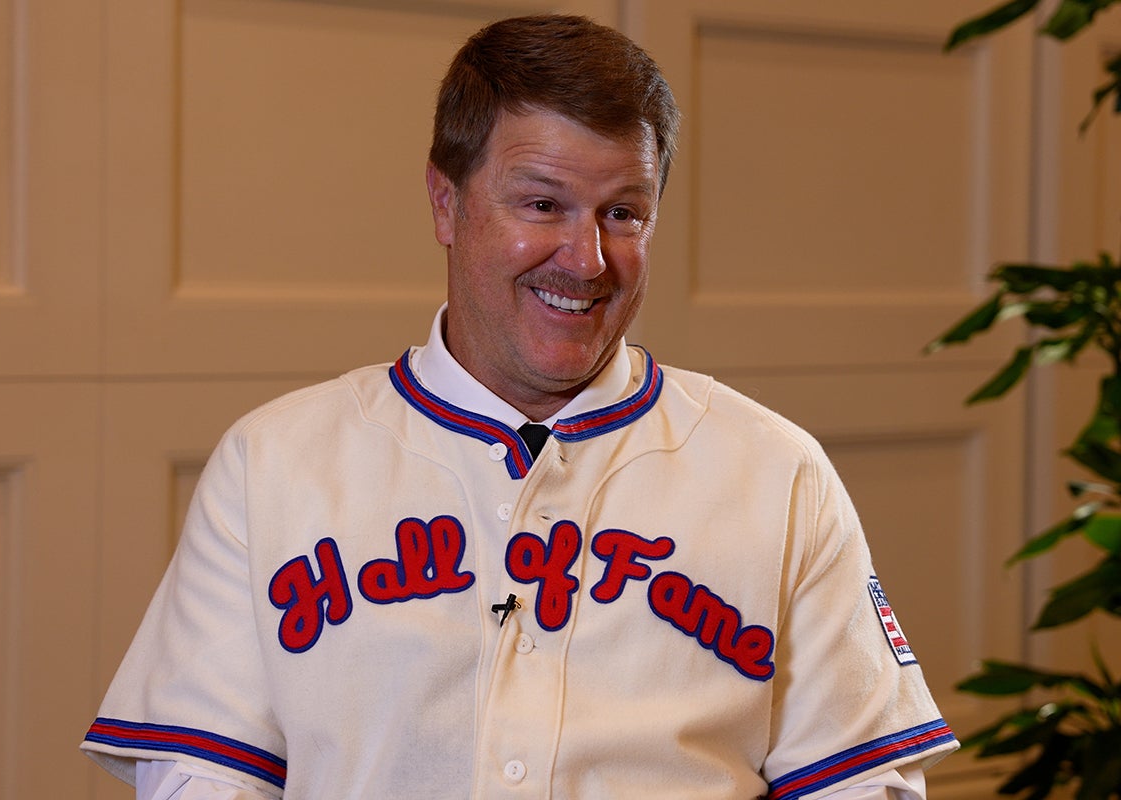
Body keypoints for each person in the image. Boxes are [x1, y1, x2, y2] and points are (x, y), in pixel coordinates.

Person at [82, 14, 957, 800]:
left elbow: (861, 782)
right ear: (445, 202)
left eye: (624, 213)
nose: (586, 259)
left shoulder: (777, 472)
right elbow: (202, 779)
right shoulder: (272, 462)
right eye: (542, 205)